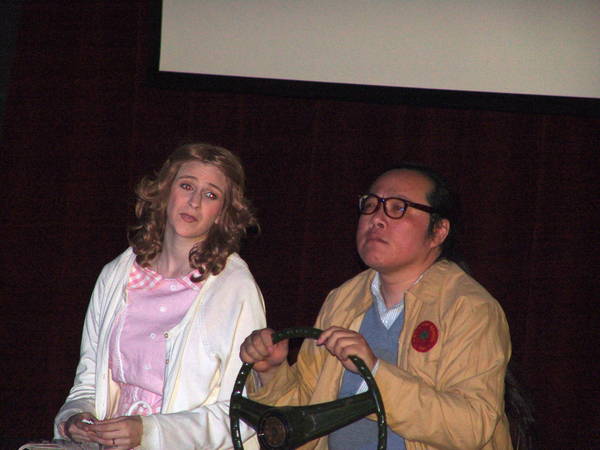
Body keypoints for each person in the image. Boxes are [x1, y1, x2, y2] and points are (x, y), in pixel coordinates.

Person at [241, 164, 513, 449]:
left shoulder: (469, 308)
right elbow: (305, 421)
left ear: (438, 232)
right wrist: (271, 371)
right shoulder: (343, 300)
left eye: (398, 208)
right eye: (370, 205)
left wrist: (375, 371)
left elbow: (471, 427)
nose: (377, 219)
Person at [54, 143, 266, 449]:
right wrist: (76, 419)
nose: (194, 202)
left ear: (223, 213)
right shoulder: (117, 275)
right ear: (165, 190)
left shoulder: (235, 288)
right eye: (186, 186)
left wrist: (150, 431)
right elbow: (88, 384)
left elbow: (243, 413)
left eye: (210, 195)